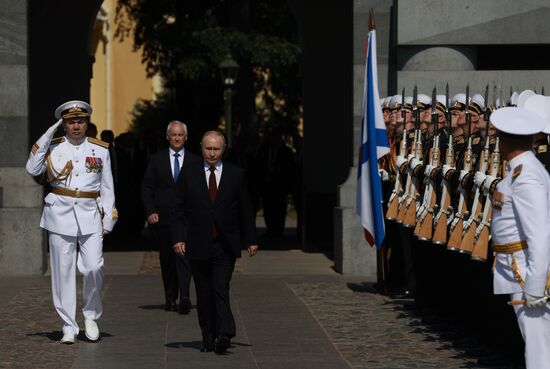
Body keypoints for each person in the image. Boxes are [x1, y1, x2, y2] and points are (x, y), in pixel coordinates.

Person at [25, 100, 117, 344]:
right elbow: (32, 169)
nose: (76, 126)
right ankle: (68, 324)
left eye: (80, 121)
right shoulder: (53, 147)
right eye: (70, 122)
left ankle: (90, 316)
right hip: (60, 215)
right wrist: (48, 134)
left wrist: (109, 219)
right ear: (63, 125)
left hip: (90, 214)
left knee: (94, 267)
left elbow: (107, 188)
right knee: (62, 271)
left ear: (87, 123)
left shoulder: (100, 149)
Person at [171, 130, 258, 354]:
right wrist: (178, 237)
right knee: (203, 290)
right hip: (198, 242)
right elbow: (178, 209)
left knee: (221, 286)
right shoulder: (189, 173)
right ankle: (207, 334)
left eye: (216, 149)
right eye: (208, 148)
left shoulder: (235, 174)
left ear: (223, 149)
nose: (212, 153)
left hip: (225, 242)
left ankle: (224, 333)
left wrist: (250, 239)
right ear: (201, 148)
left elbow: (246, 210)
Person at [477, 106, 550, 369]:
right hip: (515, 266)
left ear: (503, 141)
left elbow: (540, 235)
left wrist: (535, 285)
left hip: (525, 270)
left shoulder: (526, 176)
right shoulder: (520, 171)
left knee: (539, 348)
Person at [141, 121, 199, 314]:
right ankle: (170, 297)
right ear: (167, 137)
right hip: (163, 217)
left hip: (186, 218)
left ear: (186, 137)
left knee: (184, 255)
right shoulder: (157, 160)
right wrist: (150, 211)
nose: (176, 138)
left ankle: (184, 296)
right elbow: (147, 187)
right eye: (173, 135)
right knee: (167, 260)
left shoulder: (194, 161)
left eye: (180, 135)